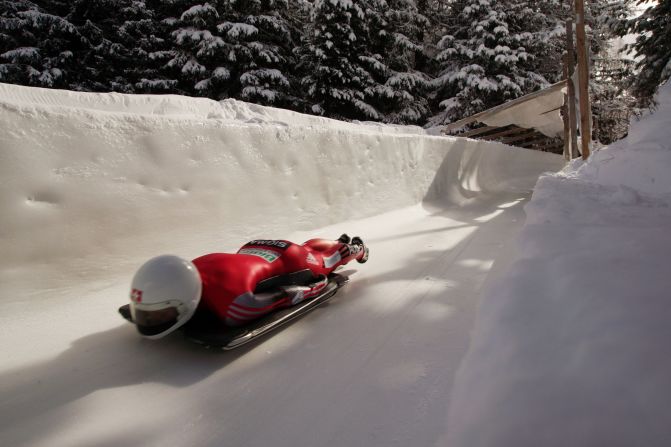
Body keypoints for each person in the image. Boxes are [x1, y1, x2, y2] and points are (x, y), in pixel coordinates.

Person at [128, 234, 368, 339]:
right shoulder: (186, 267)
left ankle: (355, 248)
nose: (150, 318)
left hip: (289, 259)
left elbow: (285, 296)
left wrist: (317, 286)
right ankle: (336, 241)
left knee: (325, 261)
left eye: (159, 313)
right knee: (308, 248)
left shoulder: (233, 306)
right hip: (253, 249)